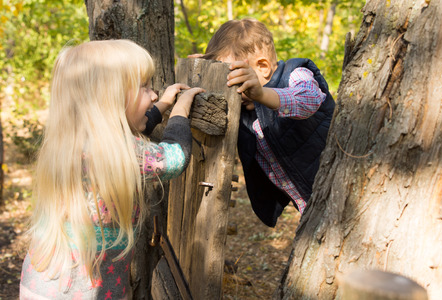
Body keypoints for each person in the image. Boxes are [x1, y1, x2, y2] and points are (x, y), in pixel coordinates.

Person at [20, 39, 204, 299]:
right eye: (144, 87)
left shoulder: (72, 141)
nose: (152, 94)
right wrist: (181, 110)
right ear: (110, 98)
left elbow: (131, 129)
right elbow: (174, 157)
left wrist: (162, 105)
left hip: (41, 285)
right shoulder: (117, 152)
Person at [201, 18, 335, 227]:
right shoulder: (244, 109)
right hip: (308, 205)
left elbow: (308, 100)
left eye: (233, 76)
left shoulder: (296, 73)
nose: (228, 86)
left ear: (262, 67)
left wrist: (262, 95)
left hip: (338, 188)